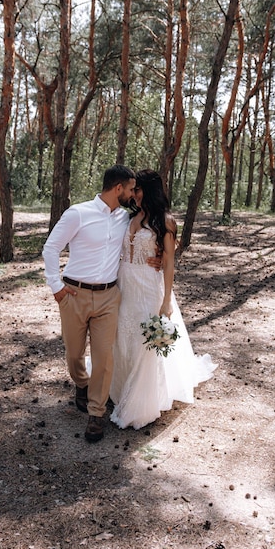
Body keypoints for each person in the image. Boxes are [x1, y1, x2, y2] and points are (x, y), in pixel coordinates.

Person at [110, 169, 217, 430]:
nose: (133, 194)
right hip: (124, 284)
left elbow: (168, 264)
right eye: (132, 190)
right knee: (122, 336)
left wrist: (167, 300)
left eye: (137, 189)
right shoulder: (129, 218)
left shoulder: (165, 220)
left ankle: (141, 401)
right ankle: (120, 388)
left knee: (145, 340)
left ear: (150, 190)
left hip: (149, 285)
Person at [43, 165, 144, 443]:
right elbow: (51, 247)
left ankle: (96, 413)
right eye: (130, 188)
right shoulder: (78, 213)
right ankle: (81, 383)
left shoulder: (125, 219)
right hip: (74, 295)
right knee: (74, 354)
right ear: (118, 188)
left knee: (104, 357)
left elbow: (145, 237)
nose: (133, 194)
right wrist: (57, 287)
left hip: (109, 297)